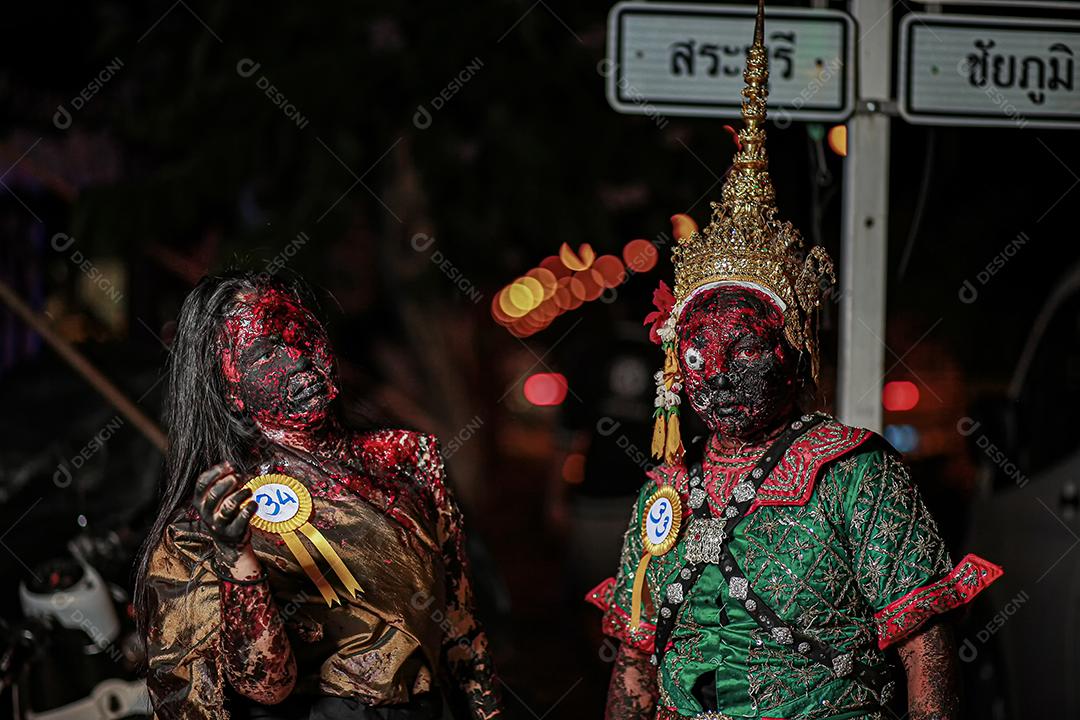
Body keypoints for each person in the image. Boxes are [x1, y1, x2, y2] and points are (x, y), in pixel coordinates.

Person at [586, 3, 1002, 718]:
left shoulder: (853, 474)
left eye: (746, 347)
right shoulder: (670, 489)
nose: (718, 374)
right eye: (696, 352)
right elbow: (634, 663)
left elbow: (924, 645)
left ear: (794, 351)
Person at [134, 271, 501, 720]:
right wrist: (236, 556)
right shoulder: (205, 524)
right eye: (266, 351)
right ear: (229, 390)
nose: (298, 358)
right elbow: (265, 686)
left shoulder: (406, 459)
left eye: (302, 333)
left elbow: (462, 628)